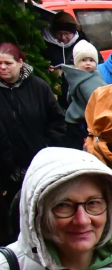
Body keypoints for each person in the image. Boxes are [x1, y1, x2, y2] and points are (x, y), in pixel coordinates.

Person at [0, 43, 65, 191]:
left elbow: (57, 120)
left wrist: (47, 147)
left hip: (39, 164)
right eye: (0, 63)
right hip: (6, 172)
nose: (3, 67)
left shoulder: (38, 87)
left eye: (8, 63)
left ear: (20, 63)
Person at [60, 39, 105, 149]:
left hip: (77, 121)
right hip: (83, 123)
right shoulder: (87, 81)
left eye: (91, 60)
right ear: (76, 62)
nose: (88, 63)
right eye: (83, 60)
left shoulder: (77, 76)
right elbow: (97, 103)